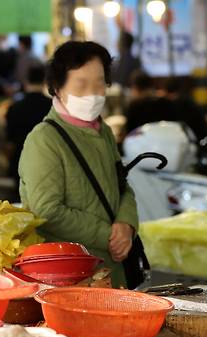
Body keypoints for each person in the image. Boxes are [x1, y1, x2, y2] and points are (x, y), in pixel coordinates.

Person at [18, 41, 139, 288]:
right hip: (70, 276)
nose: (93, 93)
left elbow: (122, 184)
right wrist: (108, 235)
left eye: (99, 83)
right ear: (57, 88)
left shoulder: (102, 130)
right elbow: (46, 211)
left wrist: (126, 225)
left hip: (112, 269)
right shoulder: (43, 139)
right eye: (81, 84)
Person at [5, 65, 52, 199]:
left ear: (26, 82)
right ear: (44, 81)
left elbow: (9, 143)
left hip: (18, 167)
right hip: (47, 166)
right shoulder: (52, 107)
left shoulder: (14, 107)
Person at [123, 70, 175, 136]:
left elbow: (130, 134)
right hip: (166, 142)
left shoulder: (134, 106)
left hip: (142, 145)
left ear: (135, 87)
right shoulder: (166, 102)